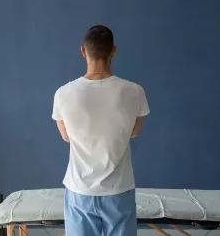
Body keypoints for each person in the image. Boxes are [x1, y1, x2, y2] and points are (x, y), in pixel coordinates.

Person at [52, 25, 149, 236]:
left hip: (80, 189)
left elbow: (67, 137)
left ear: (83, 51)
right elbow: (133, 132)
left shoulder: (63, 93)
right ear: (113, 51)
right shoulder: (135, 91)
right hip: (119, 189)